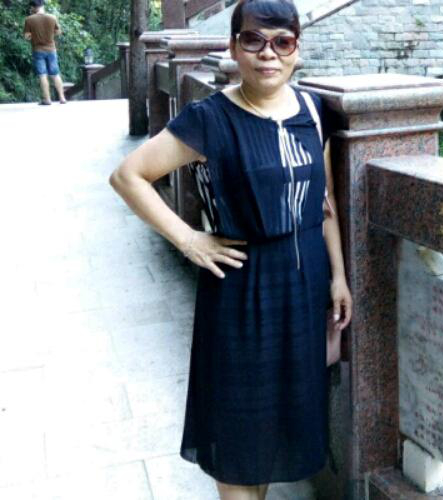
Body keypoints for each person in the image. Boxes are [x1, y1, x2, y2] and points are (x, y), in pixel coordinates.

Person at [110, 0, 352, 498]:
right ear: (233, 47)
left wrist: (339, 277)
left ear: (297, 50)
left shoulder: (313, 112)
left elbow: (324, 202)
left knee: (285, 421)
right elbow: (128, 176)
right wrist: (189, 240)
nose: (268, 53)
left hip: (304, 292)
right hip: (242, 292)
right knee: (241, 437)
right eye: (253, 40)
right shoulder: (210, 119)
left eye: (282, 41)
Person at [23, 0, 66, 105]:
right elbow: (58, 32)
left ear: (34, 7)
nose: (31, 9)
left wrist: (34, 35)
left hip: (38, 50)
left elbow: (26, 36)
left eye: (31, 7)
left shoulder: (29, 19)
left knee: (42, 75)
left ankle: (47, 99)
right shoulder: (52, 17)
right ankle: (62, 98)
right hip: (51, 50)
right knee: (55, 74)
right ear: (43, 5)